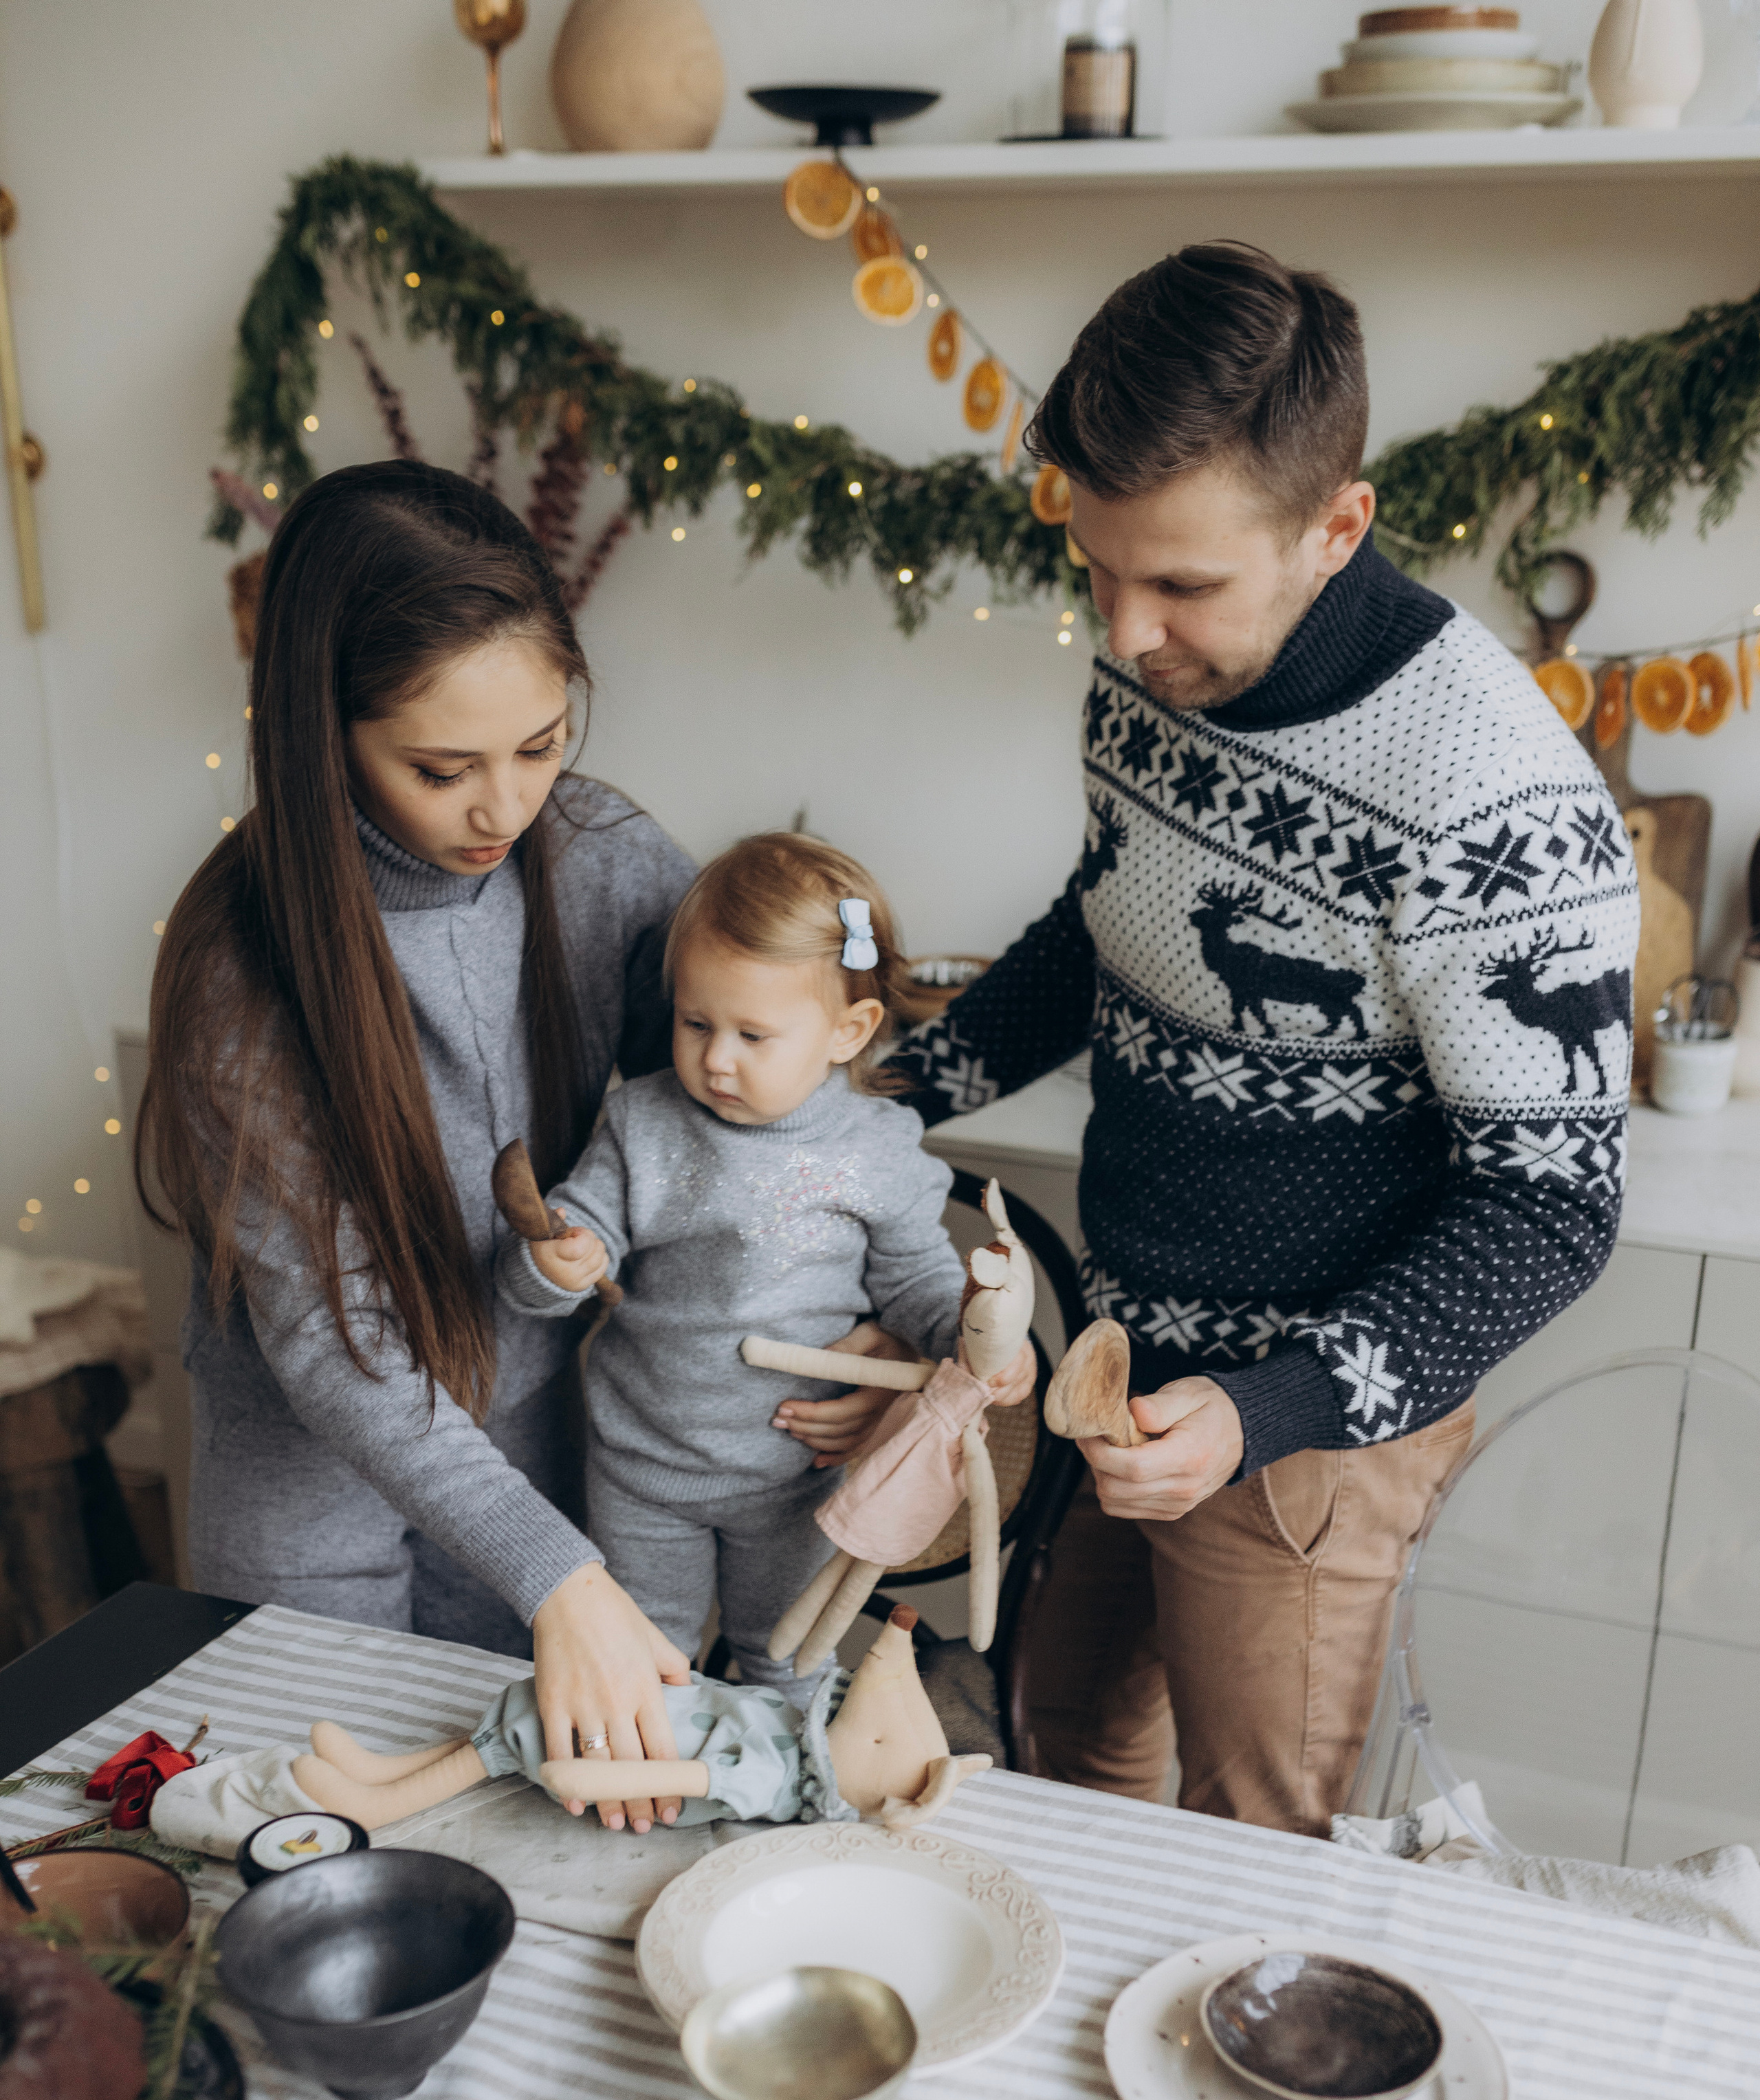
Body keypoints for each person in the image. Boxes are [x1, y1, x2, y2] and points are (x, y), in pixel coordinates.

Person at [893, 241, 1640, 1837]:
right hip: (1119, 1348)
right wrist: (890, 1094)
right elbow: (1111, 915)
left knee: (1255, 1848)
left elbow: (1552, 1209)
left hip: (1304, 1440)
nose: (1125, 628)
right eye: (1095, 569)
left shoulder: (1486, 793)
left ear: (1335, 524)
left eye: (1180, 583)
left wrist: (1269, 1409)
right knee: (1056, 1763)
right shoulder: (1144, 671)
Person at [138, 463, 890, 1835]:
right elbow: (338, 1347)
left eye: (541, 744)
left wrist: (874, 1337)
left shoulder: (605, 859)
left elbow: (784, 1098)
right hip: (310, 1509)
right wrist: (565, 1580)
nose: (506, 808)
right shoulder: (235, 968)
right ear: (318, 734)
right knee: (307, 1854)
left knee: (526, 1858)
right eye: (441, 767)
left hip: (548, 1464)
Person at [495, 832, 1035, 1698]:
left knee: (786, 1660)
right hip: (640, 1466)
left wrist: (975, 1339)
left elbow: (919, 1286)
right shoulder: (643, 1122)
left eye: (753, 1034)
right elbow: (560, 1255)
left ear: (846, 1031)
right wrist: (559, 1263)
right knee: (641, 1659)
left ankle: (784, 1809)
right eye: (695, 1022)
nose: (715, 1057)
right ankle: (642, 1803)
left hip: (792, 1477)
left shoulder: (878, 1149)